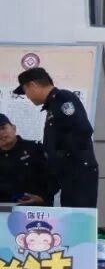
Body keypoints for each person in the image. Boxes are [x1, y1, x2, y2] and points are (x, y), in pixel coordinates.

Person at [13, 67, 98, 207]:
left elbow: (82, 131)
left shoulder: (63, 98)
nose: (27, 96)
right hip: (70, 174)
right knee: (70, 214)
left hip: (78, 172)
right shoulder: (52, 105)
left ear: (32, 85)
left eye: (25, 91)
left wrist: (60, 157)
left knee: (79, 216)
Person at [0, 114, 50, 205]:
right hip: (4, 210)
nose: (1, 133)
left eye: (3, 128)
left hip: (36, 209)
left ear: (13, 128)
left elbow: (54, 176)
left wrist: (43, 198)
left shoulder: (35, 149)